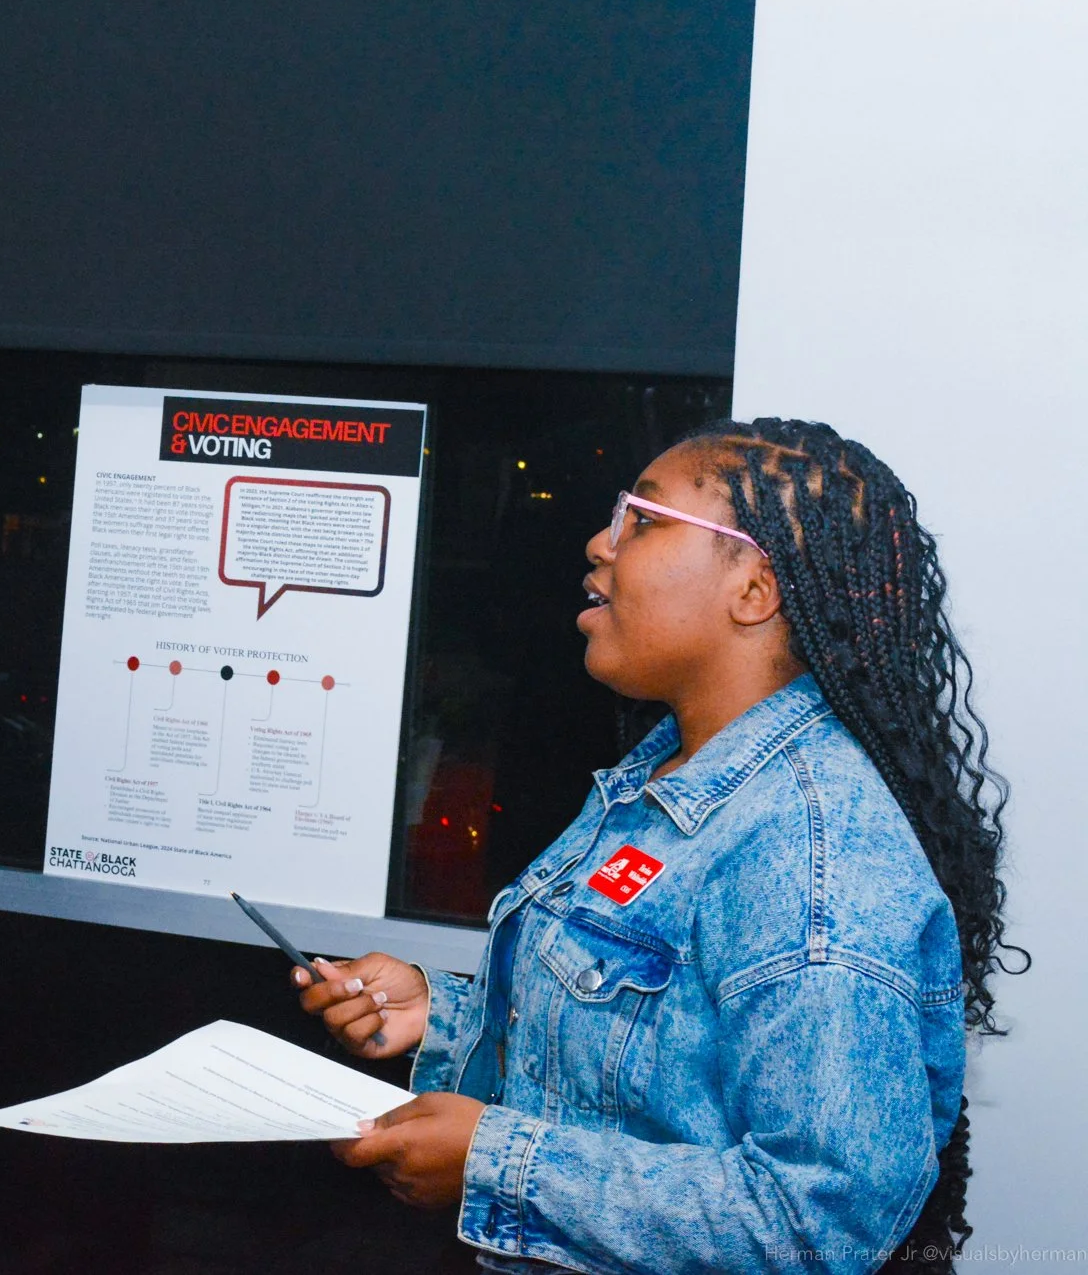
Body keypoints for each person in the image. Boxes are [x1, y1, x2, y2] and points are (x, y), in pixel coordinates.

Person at [297, 419, 1020, 1275]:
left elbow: (817, 1219)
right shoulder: (667, 776)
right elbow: (652, 1068)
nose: (600, 542)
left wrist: (495, 1163)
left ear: (754, 587)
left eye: (644, 520)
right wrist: (437, 1015)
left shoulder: (810, 849)